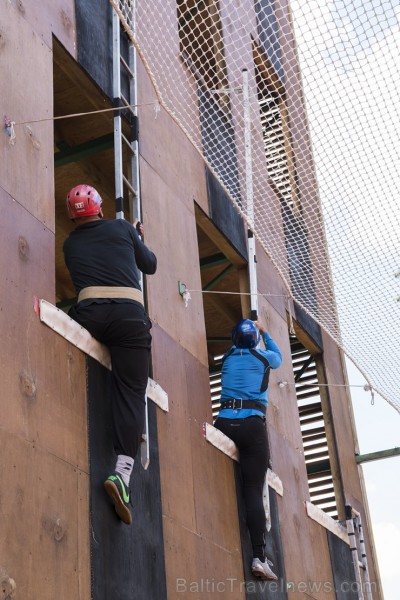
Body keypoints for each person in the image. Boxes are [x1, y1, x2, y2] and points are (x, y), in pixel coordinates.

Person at [63, 184, 157, 525]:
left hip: (91, 315)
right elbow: (151, 265)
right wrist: (137, 237)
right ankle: (122, 473)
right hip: (129, 319)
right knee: (131, 392)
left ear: (74, 215)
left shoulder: (70, 243)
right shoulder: (122, 228)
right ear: (100, 207)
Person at [214, 319, 282, 580]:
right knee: (253, 491)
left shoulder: (228, 356)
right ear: (255, 339)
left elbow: (238, 344)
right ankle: (259, 557)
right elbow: (278, 359)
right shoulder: (264, 357)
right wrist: (264, 331)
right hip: (251, 426)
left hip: (224, 422)